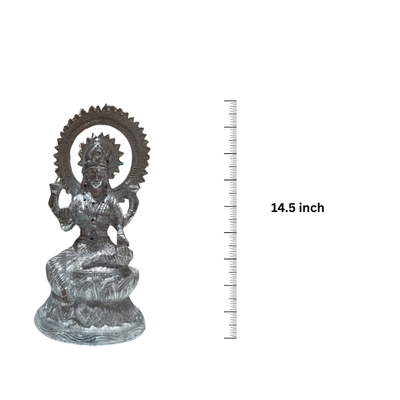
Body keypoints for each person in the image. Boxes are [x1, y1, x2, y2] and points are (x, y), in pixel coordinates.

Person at [47, 135, 134, 305]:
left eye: (100, 174)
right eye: (92, 173)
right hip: (81, 246)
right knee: (53, 264)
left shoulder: (110, 200)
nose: (96, 177)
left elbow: (119, 222)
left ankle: (87, 281)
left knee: (126, 265)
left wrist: (121, 233)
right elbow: (66, 226)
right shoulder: (79, 200)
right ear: (85, 175)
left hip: (105, 246)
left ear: (106, 176)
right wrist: (54, 200)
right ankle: (67, 295)